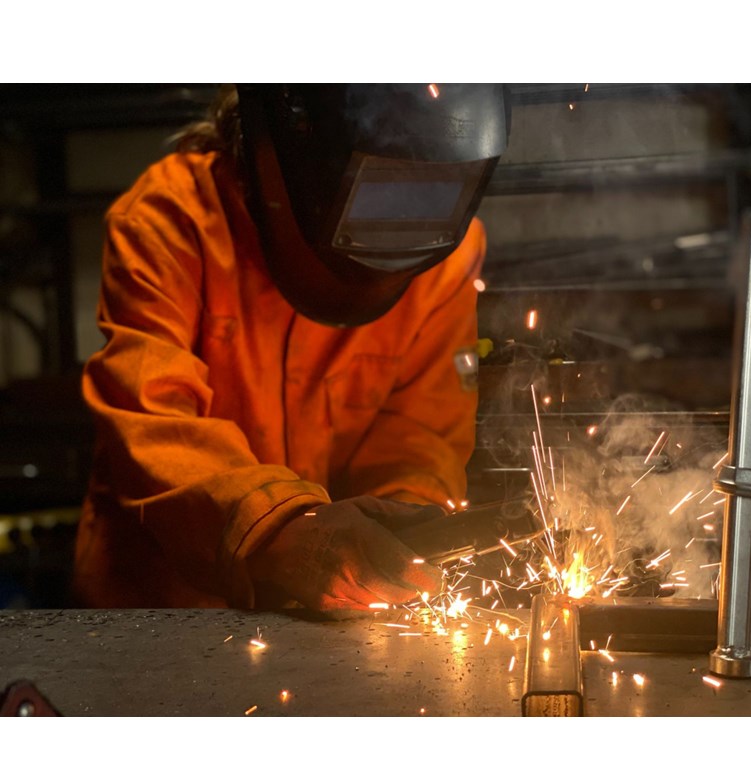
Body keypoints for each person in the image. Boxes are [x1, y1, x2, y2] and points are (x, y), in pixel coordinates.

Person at [71, 84, 509, 611]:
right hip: (163, 610)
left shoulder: (446, 256)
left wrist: (402, 542)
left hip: (329, 615)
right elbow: (154, 420)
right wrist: (279, 529)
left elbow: (421, 437)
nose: (393, 213)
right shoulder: (169, 221)